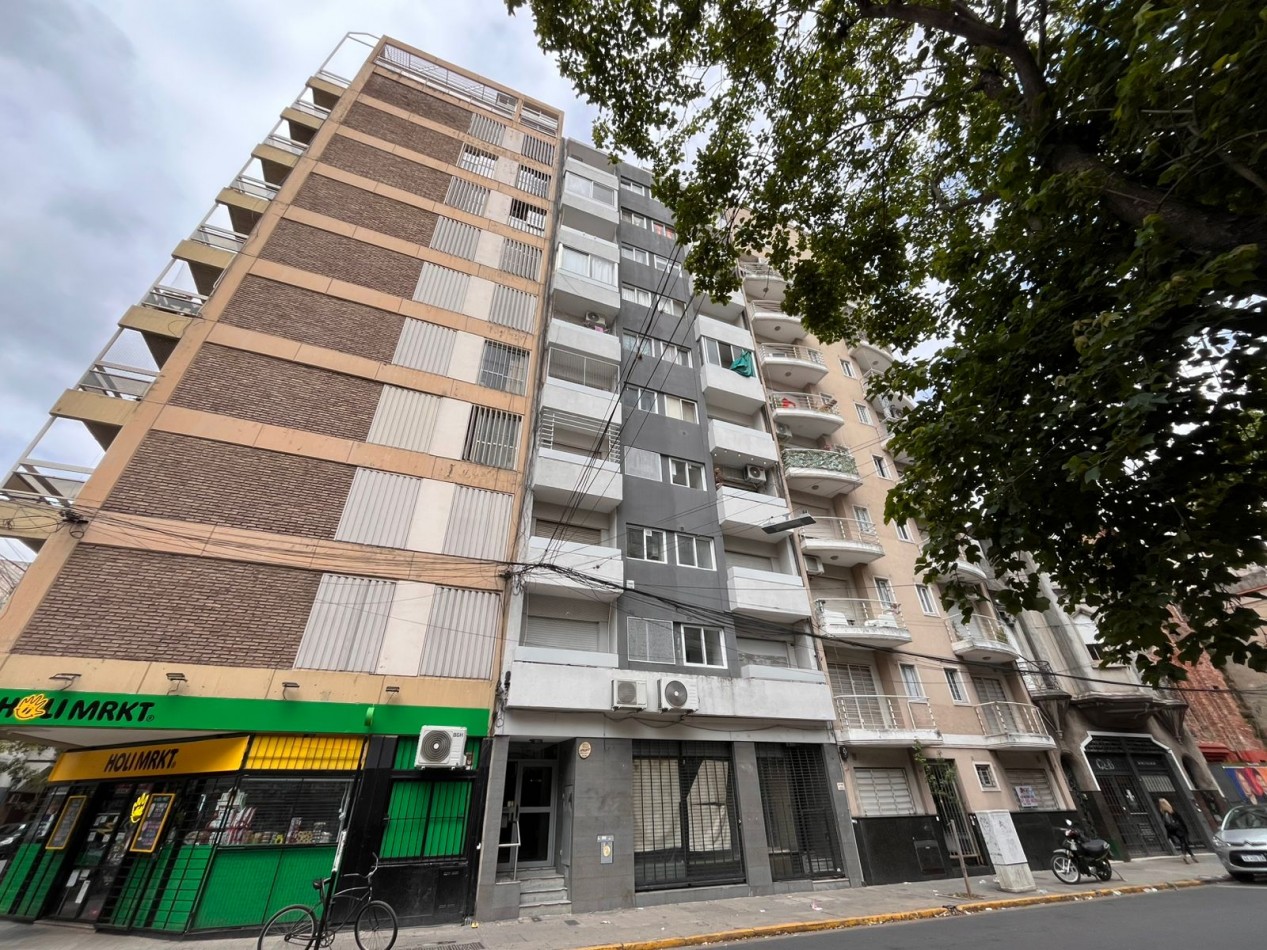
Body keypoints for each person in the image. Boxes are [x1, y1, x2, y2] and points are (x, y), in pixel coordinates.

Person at [1158, 798, 1196, 863]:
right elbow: (1180, 819)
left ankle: (1192, 856)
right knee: (1184, 842)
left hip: (1173, 830)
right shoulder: (1171, 810)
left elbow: (1166, 823)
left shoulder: (1162, 812)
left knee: (1183, 842)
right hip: (1179, 828)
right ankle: (1185, 855)